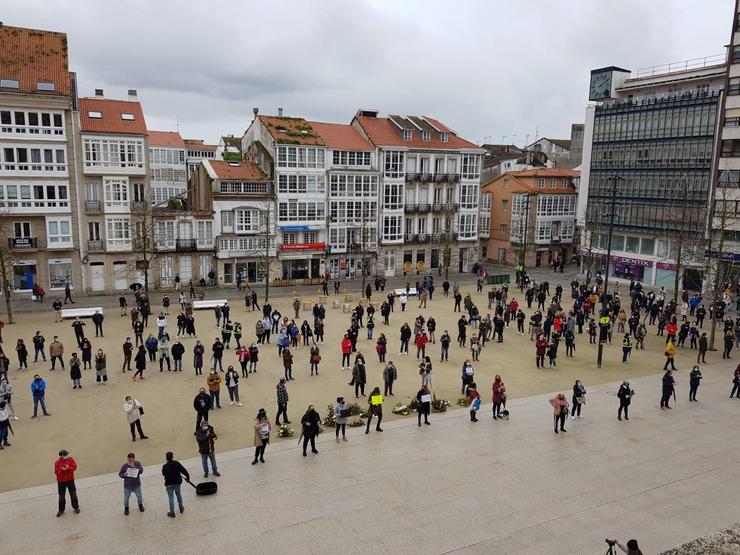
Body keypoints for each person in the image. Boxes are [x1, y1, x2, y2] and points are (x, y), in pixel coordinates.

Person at [162, 451, 189, 518]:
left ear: (166, 458)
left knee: (171, 498)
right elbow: (183, 470)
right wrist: (188, 477)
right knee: (178, 494)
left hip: (169, 484)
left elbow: (163, 474)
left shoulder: (164, 466)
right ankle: (181, 507)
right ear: (172, 457)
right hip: (177, 483)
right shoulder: (176, 463)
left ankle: (172, 512)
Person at [54, 449, 80, 517]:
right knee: (61, 496)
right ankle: (61, 510)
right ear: (62, 456)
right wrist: (62, 470)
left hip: (70, 480)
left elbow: (74, 467)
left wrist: (68, 468)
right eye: (66, 455)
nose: (67, 455)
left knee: (73, 493)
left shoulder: (70, 459)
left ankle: (76, 507)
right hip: (61, 482)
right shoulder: (57, 462)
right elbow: (56, 472)